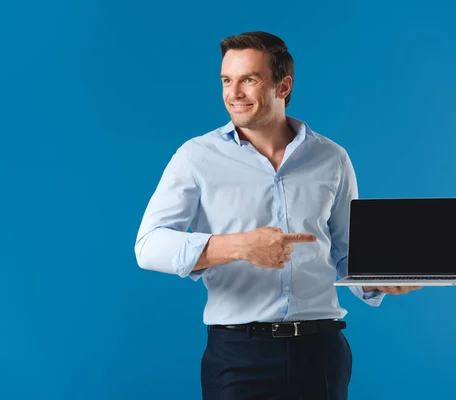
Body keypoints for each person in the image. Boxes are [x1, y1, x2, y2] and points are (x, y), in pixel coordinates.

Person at [134, 31, 421, 400]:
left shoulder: (332, 158)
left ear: (283, 86)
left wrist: (378, 280)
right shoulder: (195, 157)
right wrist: (240, 247)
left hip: (321, 352)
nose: (233, 93)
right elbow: (149, 244)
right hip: (239, 355)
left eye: (248, 80)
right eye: (226, 80)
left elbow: (349, 254)